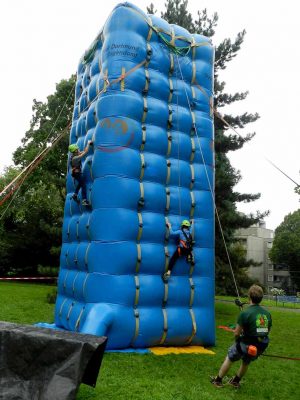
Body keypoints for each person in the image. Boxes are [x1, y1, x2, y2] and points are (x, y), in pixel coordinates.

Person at [211, 284, 272, 388]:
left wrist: (237, 340)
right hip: (259, 346)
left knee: (230, 357)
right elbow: (266, 330)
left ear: (249, 297)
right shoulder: (267, 314)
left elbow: (236, 333)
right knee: (246, 362)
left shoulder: (245, 313)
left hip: (246, 344)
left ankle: (218, 381)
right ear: (261, 298)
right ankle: (235, 381)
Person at [68, 141, 93, 206]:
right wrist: (88, 143)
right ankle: (84, 200)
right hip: (77, 174)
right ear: (75, 151)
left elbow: (84, 150)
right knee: (83, 185)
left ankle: (75, 195)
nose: (79, 149)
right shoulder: (75, 158)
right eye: (78, 149)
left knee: (80, 183)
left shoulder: (75, 155)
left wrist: (88, 146)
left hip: (77, 173)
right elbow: (85, 152)